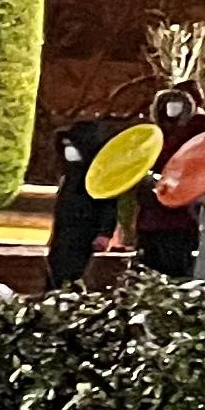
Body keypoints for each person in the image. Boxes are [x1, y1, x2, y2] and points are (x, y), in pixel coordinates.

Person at [136, 82, 205, 282]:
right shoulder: (159, 132)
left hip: (177, 214)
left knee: (171, 268)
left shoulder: (196, 131)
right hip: (154, 216)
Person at [48, 108, 128, 289]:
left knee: (75, 272)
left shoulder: (98, 177)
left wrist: (104, 233)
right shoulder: (70, 174)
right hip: (66, 233)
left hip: (85, 232)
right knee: (58, 271)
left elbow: (108, 205)